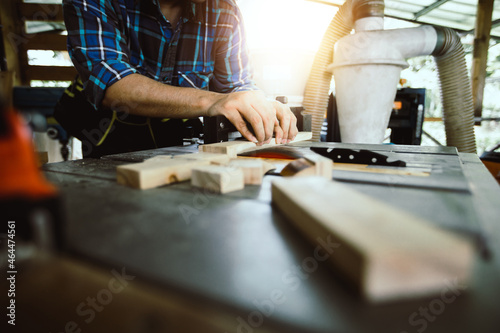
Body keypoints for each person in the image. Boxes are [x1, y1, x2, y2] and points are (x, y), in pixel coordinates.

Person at [58, 0, 298, 157]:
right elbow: (113, 83)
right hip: (108, 134)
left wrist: (258, 104)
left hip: (175, 142)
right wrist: (213, 102)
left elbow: (236, 86)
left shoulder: (224, 11)